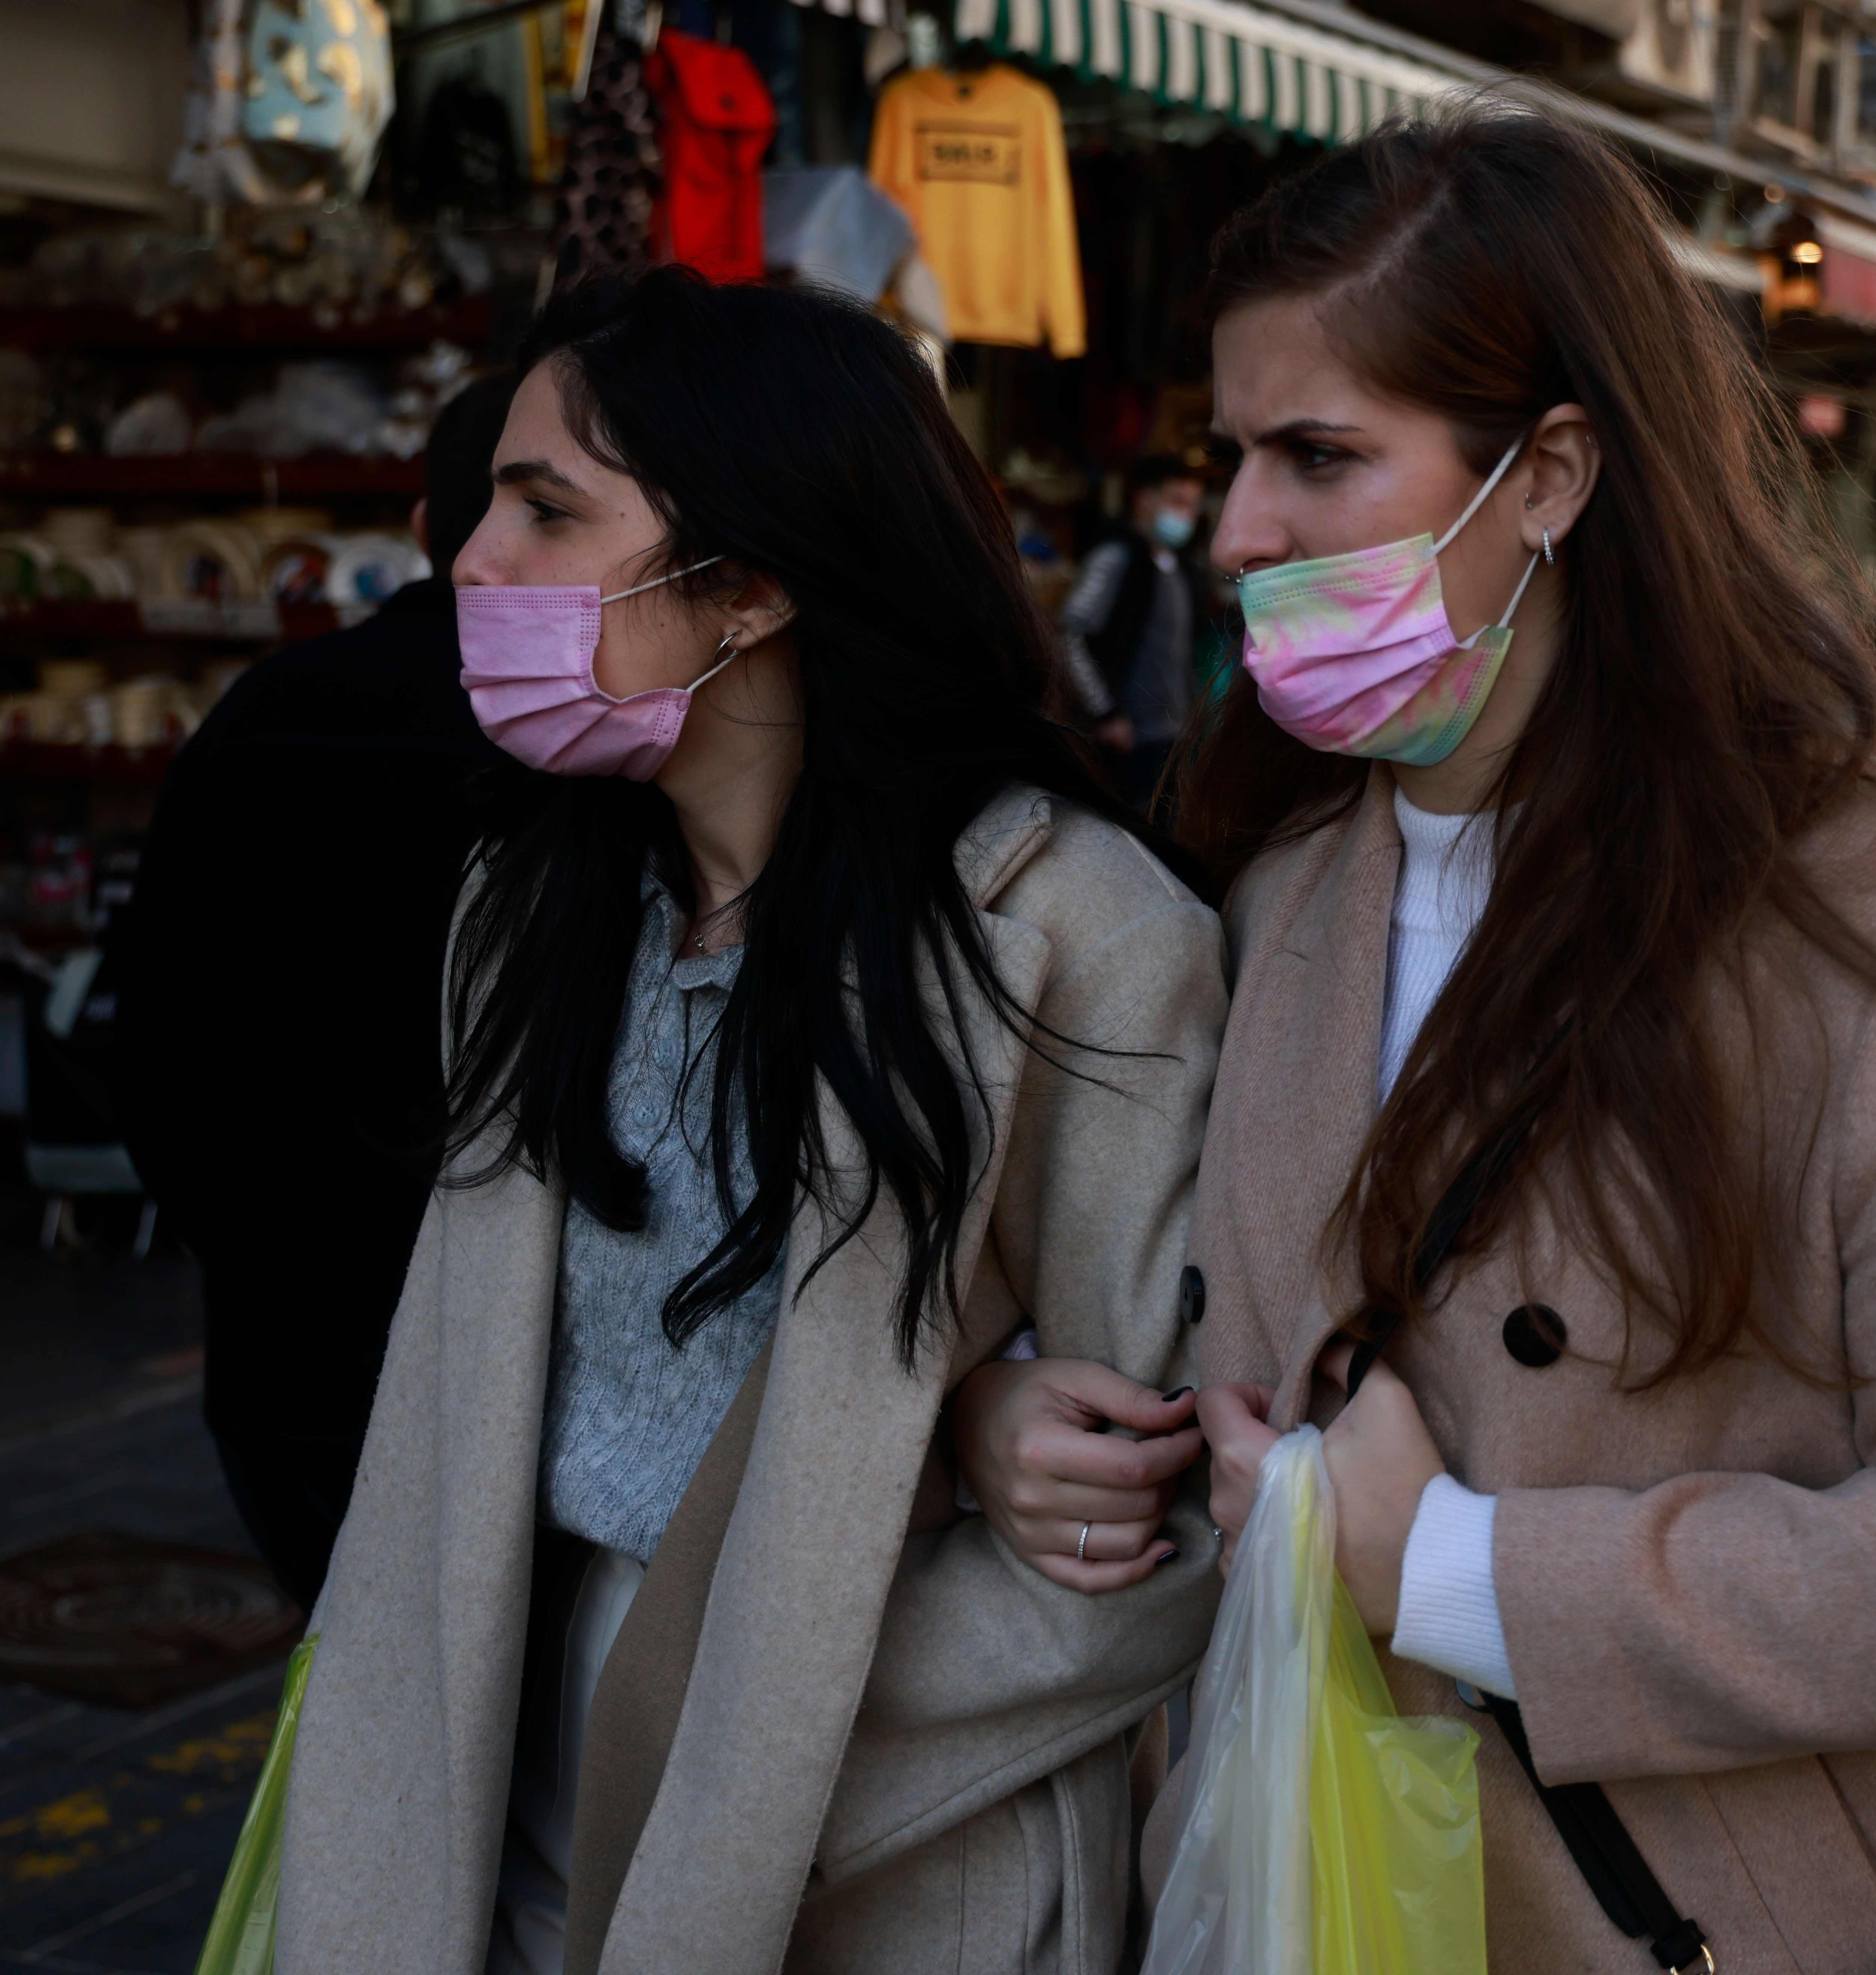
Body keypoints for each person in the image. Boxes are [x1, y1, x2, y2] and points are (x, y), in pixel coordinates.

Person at [955, 102, 1876, 1973]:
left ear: (1546, 474)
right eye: (1231, 456)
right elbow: (1201, 1334)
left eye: (1315, 456)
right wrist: (1022, 1420)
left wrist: (1453, 1570)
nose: (1232, 530)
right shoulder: (1279, 876)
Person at [273, 270, 1225, 1974]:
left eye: (543, 506)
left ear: (752, 580)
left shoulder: (1079, 935)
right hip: (510, 1805)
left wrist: (764, 1735)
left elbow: (1170, 1523)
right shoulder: (532, 899)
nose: (468, 560)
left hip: (889, 1858)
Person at [113, 377, 518, 1609]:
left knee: (355, 1707)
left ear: (415, 526)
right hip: (499, 1367)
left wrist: (246, 1244)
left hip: (285, 1357)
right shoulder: (584, 740)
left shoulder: (264, 712)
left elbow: (154, 1034)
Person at [1057, 453, 1214, 812]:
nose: (1186, 514)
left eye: (1192, 505)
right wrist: (1105, 714)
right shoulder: (1116, 558)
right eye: (1177, 502)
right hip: (1128, 740)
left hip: (1176, 735)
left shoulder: (1180, 567)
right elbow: (1070, 639)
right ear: (1144, 499)